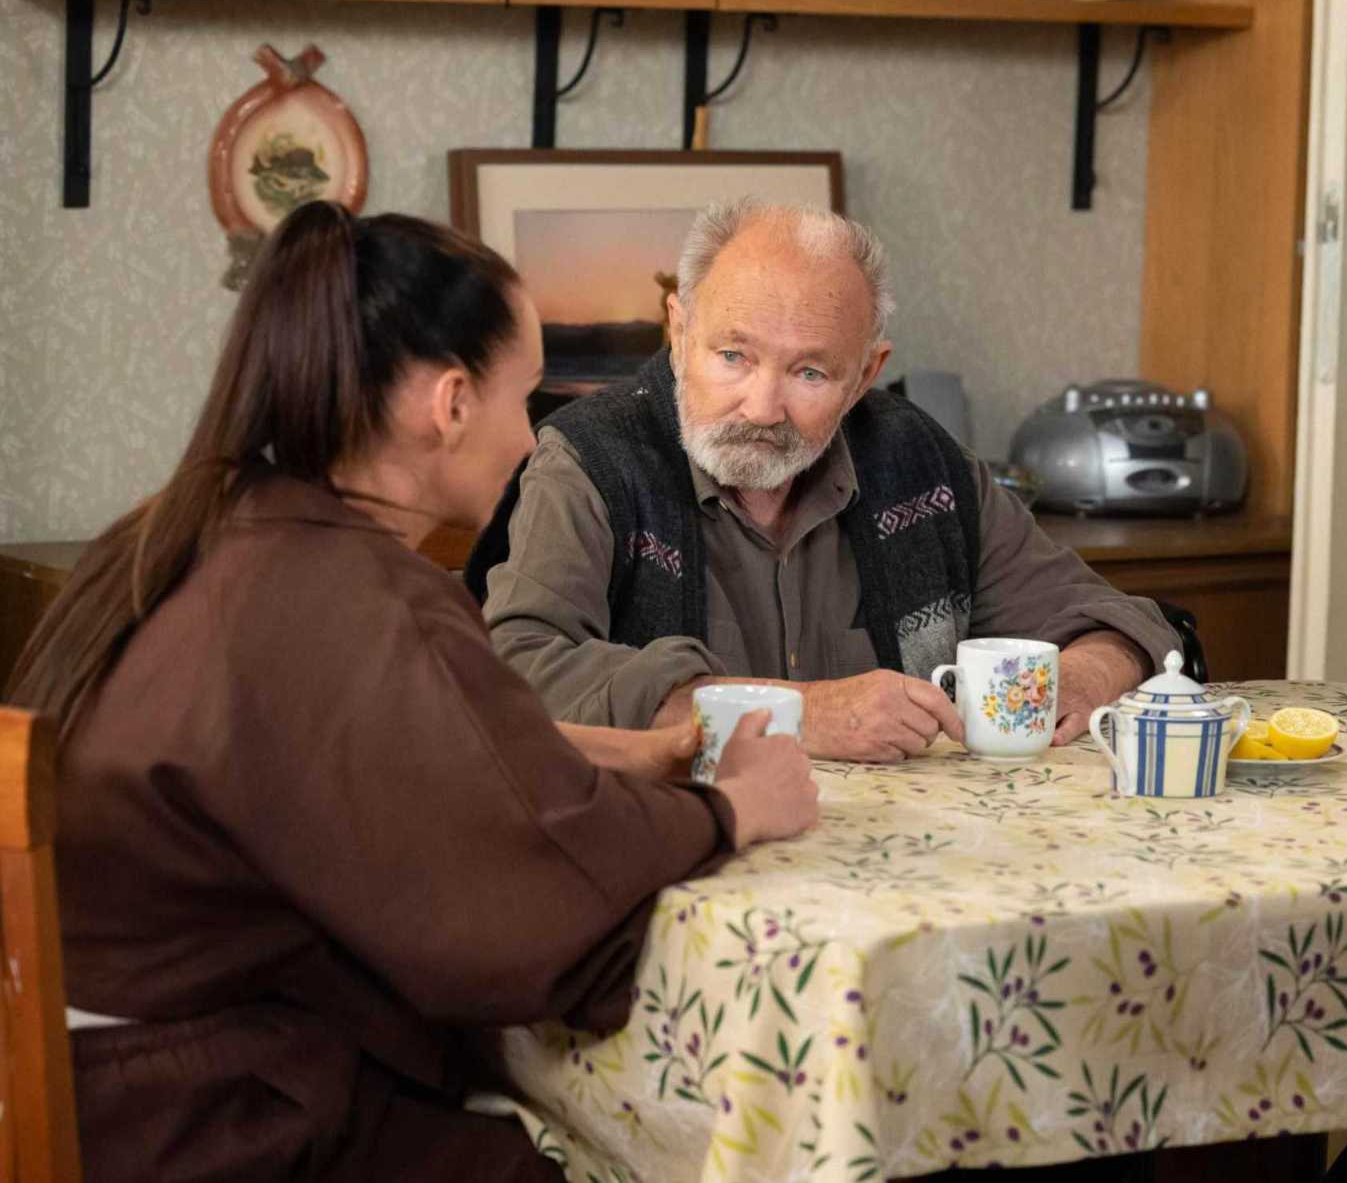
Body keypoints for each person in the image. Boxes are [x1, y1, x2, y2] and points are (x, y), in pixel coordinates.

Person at [7, 204, 819, 1181]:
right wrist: (736, 808)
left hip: (85, 1087)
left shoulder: (200, 526)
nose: (531, 440)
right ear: (451, 403)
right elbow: (527, 904)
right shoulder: (360, 595)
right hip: (204, 1121)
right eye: (524, 397)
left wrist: (618, 753)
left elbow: (391, 757)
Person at [469, 199, 1178, 761]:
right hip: (676, 858)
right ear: (679, 332)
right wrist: (800, 715)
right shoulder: (590, 462)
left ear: (866, 374)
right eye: (733, 356)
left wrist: (1086, 676)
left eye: (809, 372)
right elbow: (518, 671)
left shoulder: (921, 462)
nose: (762, 407)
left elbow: (1119, 620)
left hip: (911, 865)